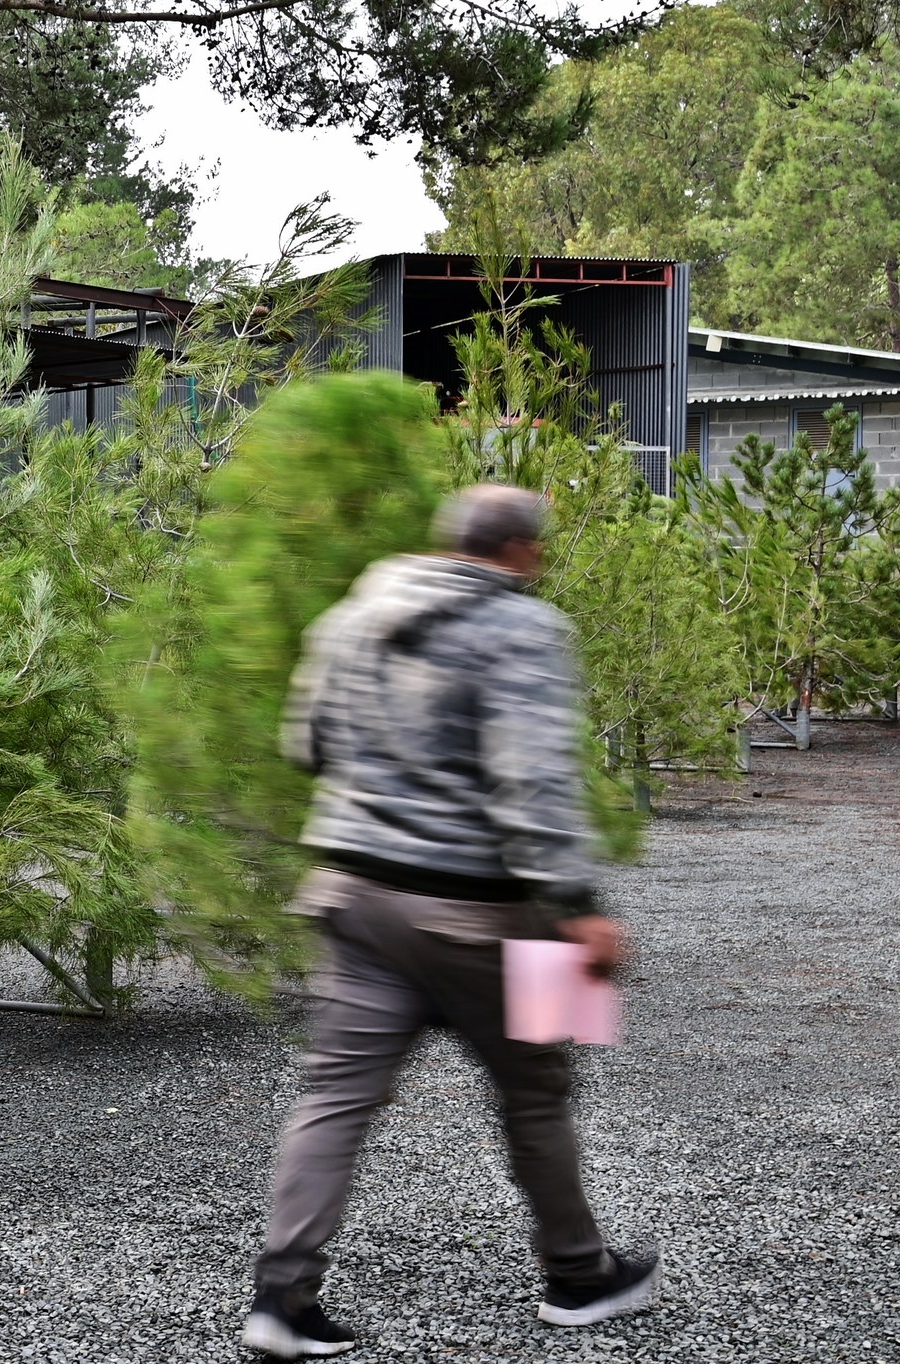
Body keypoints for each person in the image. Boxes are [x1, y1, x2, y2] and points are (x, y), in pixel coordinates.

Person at [241, 484, 659, 1360]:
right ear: (522, 552)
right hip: (494, 914)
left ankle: (281, 1299)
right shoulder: (525, 630)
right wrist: (580, 909)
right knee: (537, 1093)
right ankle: (580, 1278)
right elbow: (536, 784)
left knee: (335, 1097)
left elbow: (304, 744)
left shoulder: (358, 609)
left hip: (352, 897)